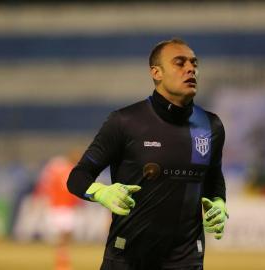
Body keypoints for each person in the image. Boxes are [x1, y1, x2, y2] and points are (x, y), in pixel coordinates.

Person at [67, 38, 228, 270]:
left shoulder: (211, 125)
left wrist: (218, 203)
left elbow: (213, 178)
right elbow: (78, 176)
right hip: (128, 258)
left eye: (194, 63)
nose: (190, 68)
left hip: (186, 260)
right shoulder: (125, 121)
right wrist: (100, 192)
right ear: (156, 73)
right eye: (179, 63)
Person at [33, 149, 82, 270]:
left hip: (64, 207)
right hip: (60, 207)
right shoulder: (65, 169)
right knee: (63, 237)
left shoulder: (63, 169)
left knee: (65, 236)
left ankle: (62, 259)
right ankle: (61, 262)